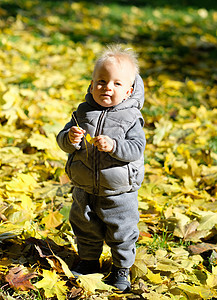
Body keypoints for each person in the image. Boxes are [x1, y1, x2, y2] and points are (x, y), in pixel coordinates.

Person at [56, 44, 146, 292]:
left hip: (119, 192)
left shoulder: (131, 118)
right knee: (84, 226)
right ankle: (88, 262)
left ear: (128, 91)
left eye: (117, 84)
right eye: (102, 81)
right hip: (84, 187)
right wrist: (70, 138)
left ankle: (121, 269)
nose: (108, 87)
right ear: (92, 84)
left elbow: (136, 148)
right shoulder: (84, 112)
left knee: (122, 232)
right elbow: (62, 140)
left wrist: (115, 145)